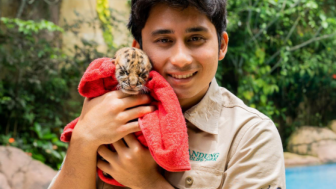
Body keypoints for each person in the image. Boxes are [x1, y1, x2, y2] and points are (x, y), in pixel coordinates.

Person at [49, 0, 286, 188]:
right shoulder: (105, 111)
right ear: (138, 49)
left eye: (196, 38)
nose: (181, 59)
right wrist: (83, 139)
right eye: (164, 40)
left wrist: (148, 183)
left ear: (221, 45)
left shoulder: (251, 135)